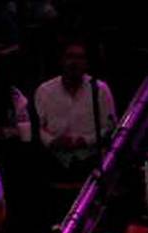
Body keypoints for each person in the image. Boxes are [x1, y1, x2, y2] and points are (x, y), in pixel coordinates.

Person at [34, 40, 117, 178]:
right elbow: (38, 126)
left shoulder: (100, 89)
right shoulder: (44, 90)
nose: (74, 62)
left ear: (86, 62)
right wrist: (52, 141)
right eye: (70, 56)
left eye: (80, 57)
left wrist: (86, 140)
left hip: (91, 158)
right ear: (62, 60)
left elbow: (110, 126)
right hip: (54, 158)